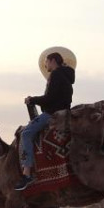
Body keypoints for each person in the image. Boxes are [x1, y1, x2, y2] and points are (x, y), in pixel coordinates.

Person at [16, 52, 76, 191]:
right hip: (64, 112)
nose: (45, 65)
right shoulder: (67, 76)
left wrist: (32, 100)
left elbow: (49, 98)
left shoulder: (55, 75)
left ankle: (27, 173)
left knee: (26, 133)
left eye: (46, 62)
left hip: (52, 113)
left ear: (53, 61)